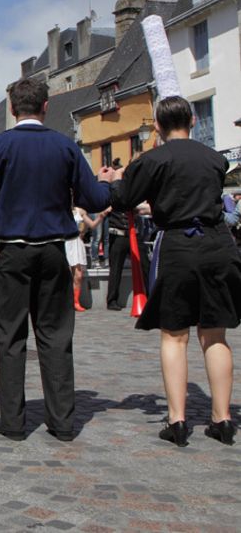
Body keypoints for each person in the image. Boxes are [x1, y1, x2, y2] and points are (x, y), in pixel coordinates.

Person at [0, 78, 117, 442]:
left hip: (13, 252)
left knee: (10, 335)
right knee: (55, 335)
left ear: (12, 107)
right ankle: (63, 421)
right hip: (54, 250)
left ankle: (13, 421)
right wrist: (112, 184)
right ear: (46, 106)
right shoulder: (64, 146)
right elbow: (96, 200)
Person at [109, 96, 241, 446]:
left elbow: (123, 198)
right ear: (193, 120)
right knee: (215, 335)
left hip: (180, 244)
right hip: (217, 243)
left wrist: (116, 180)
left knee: (175, 335)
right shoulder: (215, 159)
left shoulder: (153, 159)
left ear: (157, 126)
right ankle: (223, 419)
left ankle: (178, 420)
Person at [104, 193, 151, 310]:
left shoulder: (133, 192)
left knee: (146, 265)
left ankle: (150, 297)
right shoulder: (112, 193)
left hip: (133, 234)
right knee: (115, 269)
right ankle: (112, 300)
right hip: (118, 234)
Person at [65, 207, 101, 312]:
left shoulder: (80, 211)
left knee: (78, 275)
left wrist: (101, 216)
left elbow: (92, 225)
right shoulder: (60, 209)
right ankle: (66, 302)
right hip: (65, 242)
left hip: (76, 242)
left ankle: (75, 301)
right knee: (65, 275)